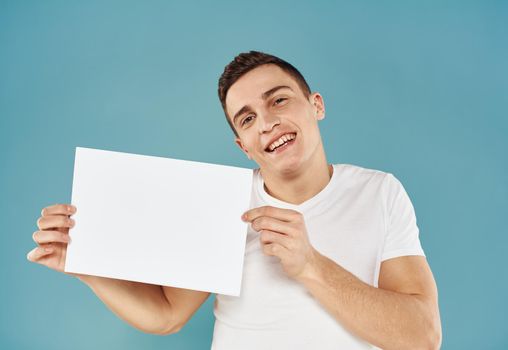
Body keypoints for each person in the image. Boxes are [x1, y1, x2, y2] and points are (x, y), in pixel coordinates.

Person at [27, 51, 442, 349]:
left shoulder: (380, 191)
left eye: (278, 100)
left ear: (316, 105)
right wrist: (84, 266)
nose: (267, 123)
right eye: (247, 118)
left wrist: (310, 266)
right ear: (243, 145)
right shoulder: (225, 202)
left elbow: (422, 336)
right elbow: (168, 315)